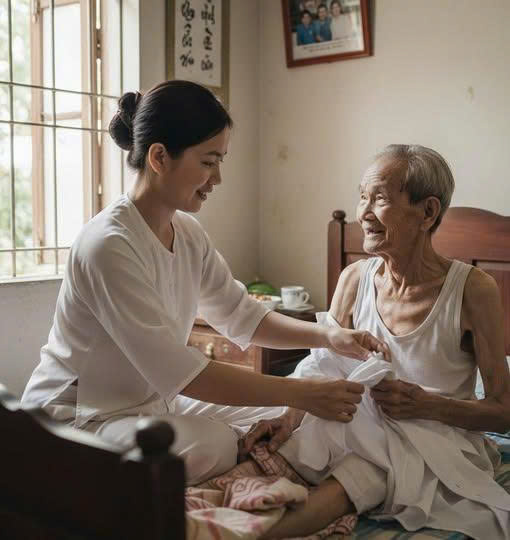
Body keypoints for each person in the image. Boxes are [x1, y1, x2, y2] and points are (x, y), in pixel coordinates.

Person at [20, 80, 388, 486]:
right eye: (209, 162)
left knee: (285, 418)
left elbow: (242, 315)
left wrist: (328, 336)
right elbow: (183, 373)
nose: (218, 178)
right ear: (159, 157)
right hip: (79, 422)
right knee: (215, 442)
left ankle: (241, 448)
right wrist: (301, 392)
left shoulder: (188, 233)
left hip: (151, 406)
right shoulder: (108, 246)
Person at [232, 144, 510, 538]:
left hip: (436, 436)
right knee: (269, 448)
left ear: (428, 212)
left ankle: (240, 535)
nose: (363, 212)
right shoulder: (354, 278)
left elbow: (503, 411)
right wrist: (288, 417)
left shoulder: (472, 290)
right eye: (362, 196)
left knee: (364, 470)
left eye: (379, 198)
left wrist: (426, 404)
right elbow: (321, 367)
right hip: (355, 422)